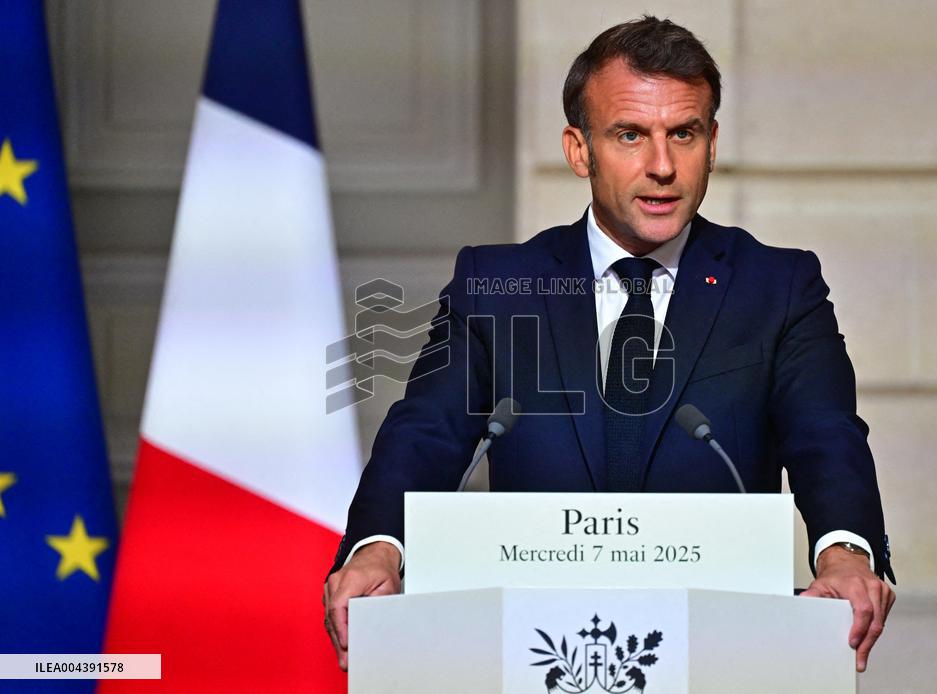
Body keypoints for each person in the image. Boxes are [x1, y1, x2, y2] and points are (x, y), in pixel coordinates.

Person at [323, 15, 895, 674]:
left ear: (711, 143)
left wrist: (846, 549)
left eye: (684, 133)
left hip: (725, 655)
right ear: (579, 150)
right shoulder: (497, 283)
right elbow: (427, 430)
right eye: (630, 135)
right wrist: (376, 545)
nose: (661, 166)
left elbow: (826, 433)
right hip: (527, 655)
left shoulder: (780, 285)